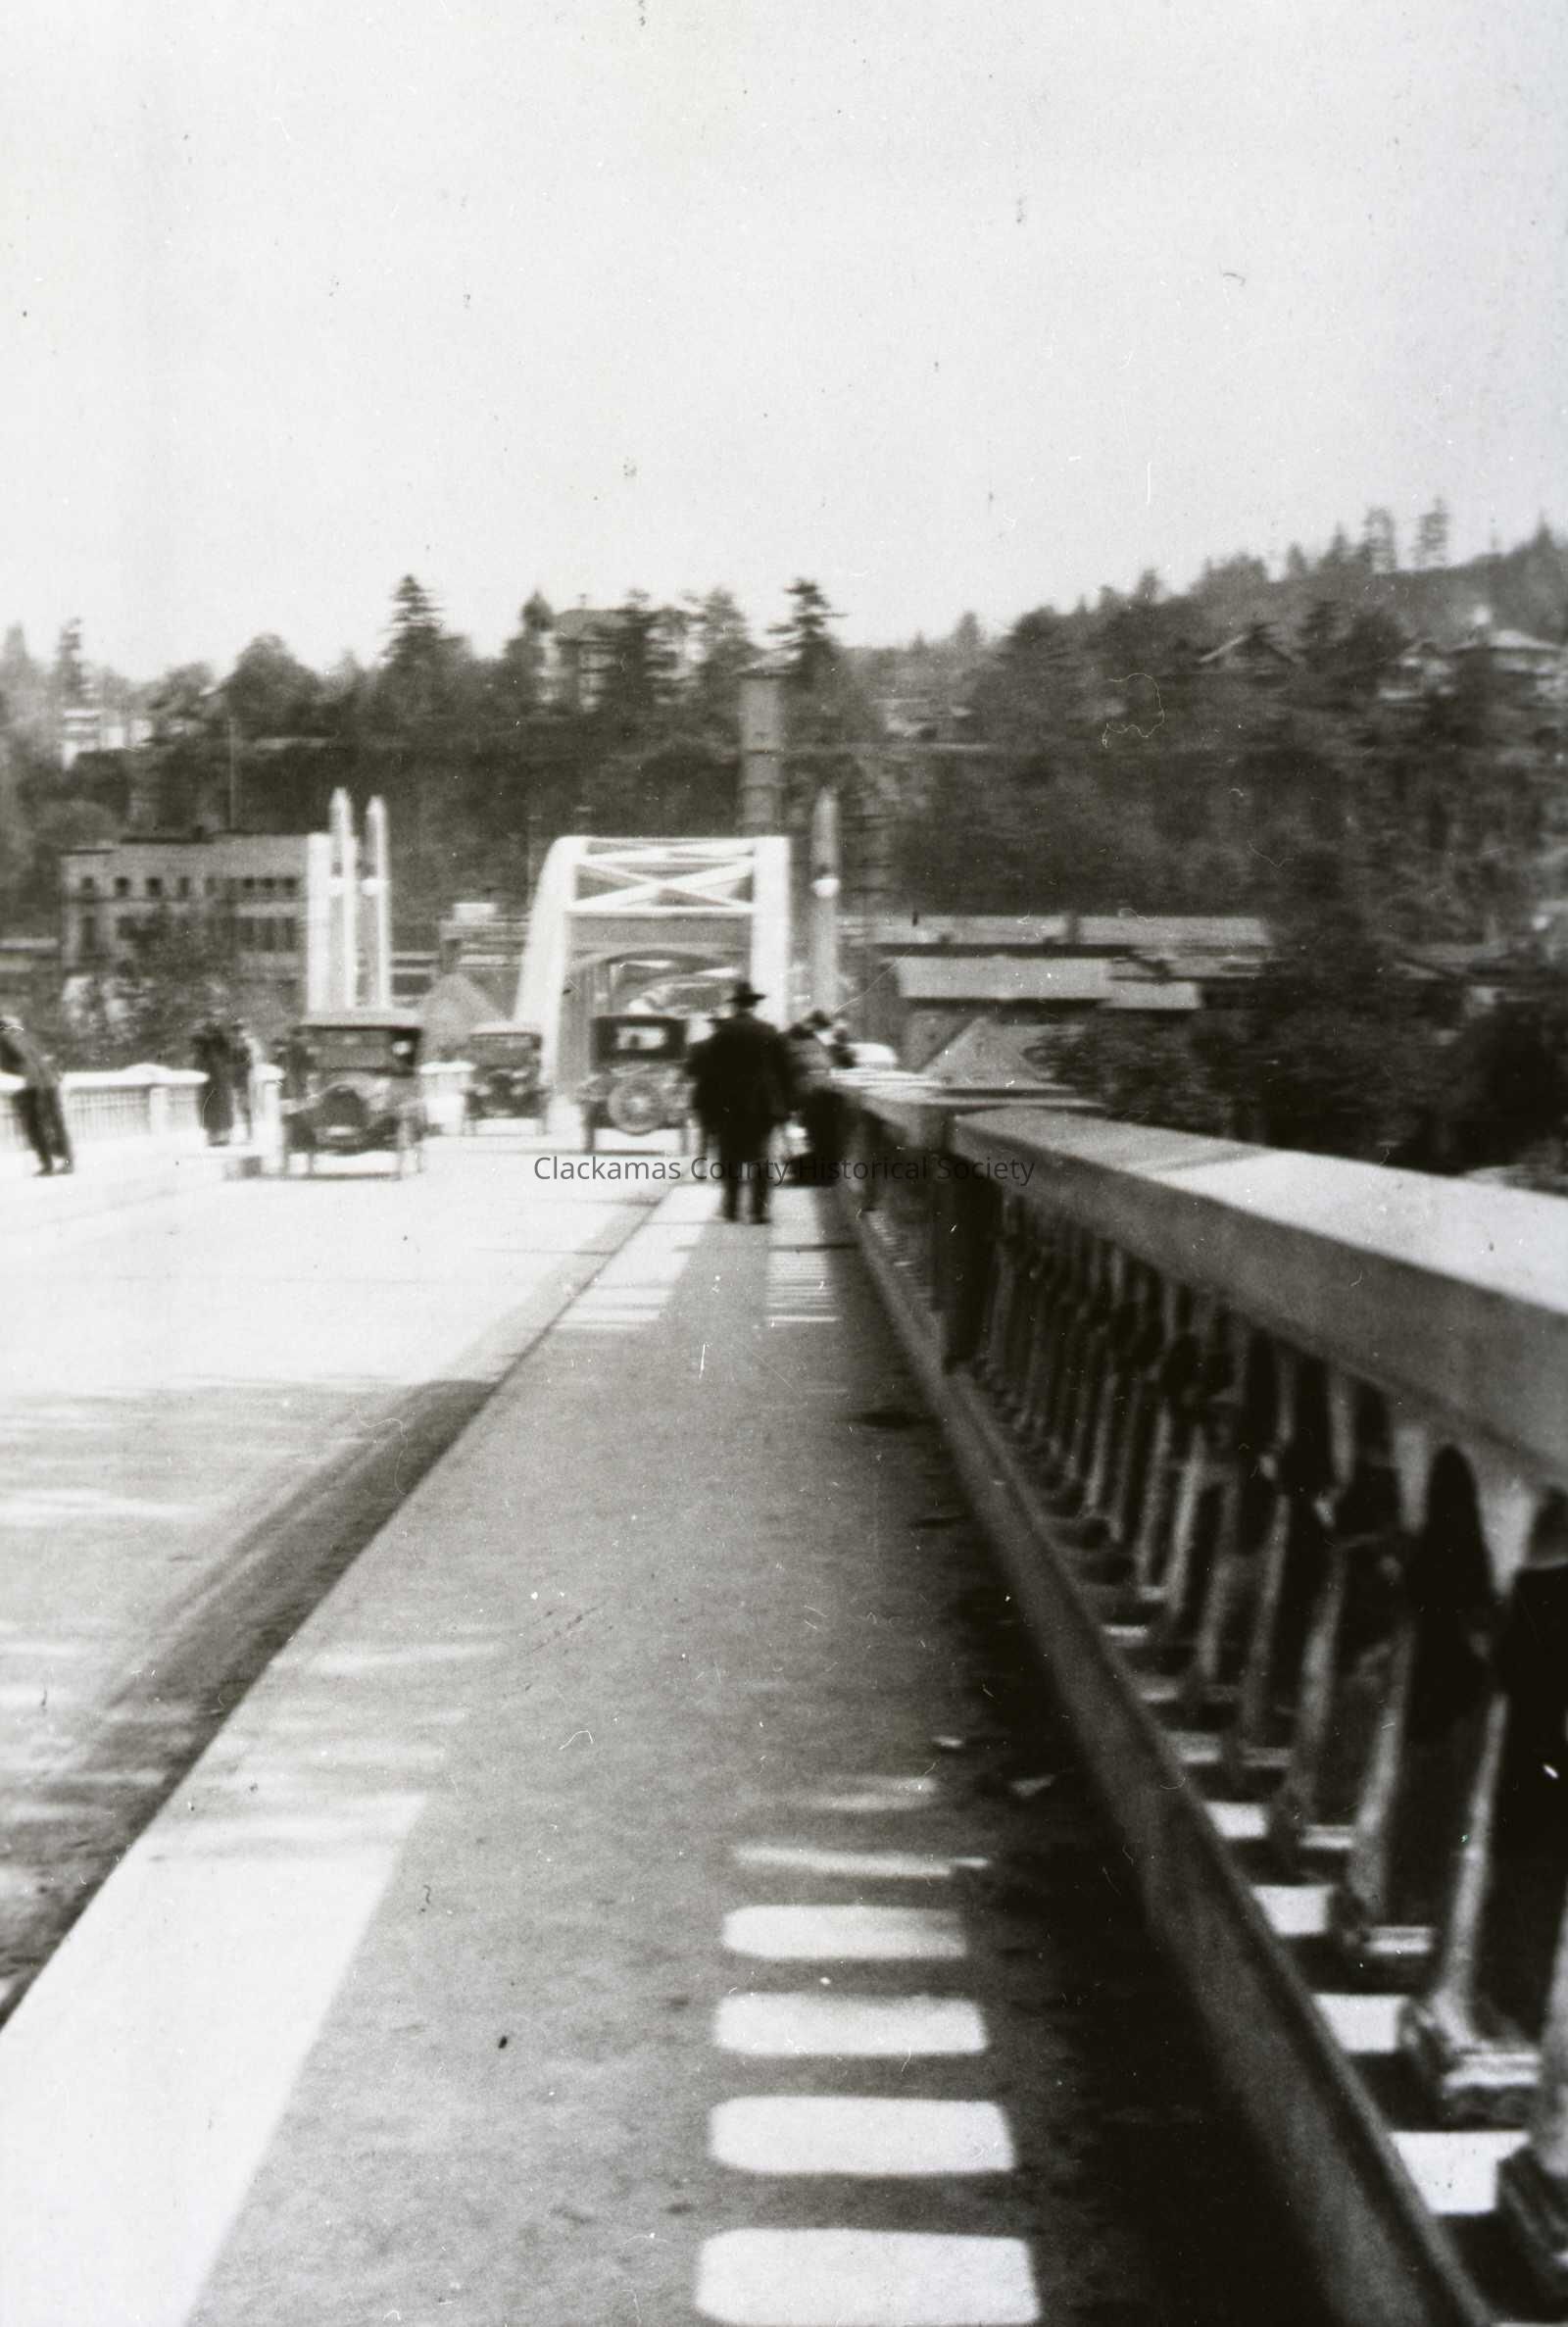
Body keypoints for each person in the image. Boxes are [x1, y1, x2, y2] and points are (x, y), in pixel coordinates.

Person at [687, 983, 792, 1223]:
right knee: (762, 1157)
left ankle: (731, 1209)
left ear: (735, 1005)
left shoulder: (722, 1033)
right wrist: (784, 1106)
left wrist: (707, 1109)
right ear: (754, 1004)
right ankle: (759, 1211)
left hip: (729, 1104)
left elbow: (709, 1074)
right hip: (763, 1104)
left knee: (730, 1156)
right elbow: (783, 1072)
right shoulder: (769, 1031)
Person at [0, 1015, 74, 1175]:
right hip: (48, 1083)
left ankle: (49, 1165)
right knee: (54, 1123)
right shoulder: (28, 1037)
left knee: (36, 1126)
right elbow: (47, 1058)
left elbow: (9, 1065)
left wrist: (19, 1071)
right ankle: (66, 1161)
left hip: (32, 1085)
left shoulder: (7, 1040)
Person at [193, 1019, 235, 1145]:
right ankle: (217, 1137)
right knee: (214, 1109)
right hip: (214, 1084)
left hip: (218, 1083)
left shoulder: (217, 1048)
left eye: (211, 1032)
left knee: (218, 1109)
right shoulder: (208, 1050)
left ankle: (221, 1137)